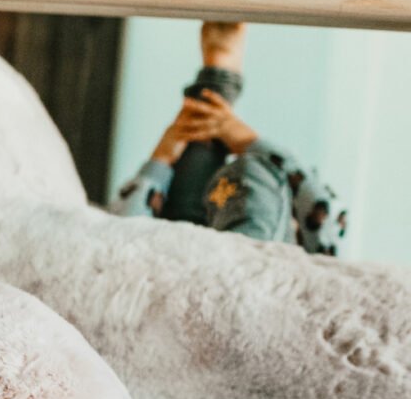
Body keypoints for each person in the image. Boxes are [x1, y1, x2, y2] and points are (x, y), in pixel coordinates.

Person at [108, 21, 348, 255]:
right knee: (255, 175)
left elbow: (120, 240)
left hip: (187, 252)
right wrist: (248, 141)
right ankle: (217, 84)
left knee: (254, 176)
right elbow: (327, 220)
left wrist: (160, 160)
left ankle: (217, 82)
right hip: (205, 250)